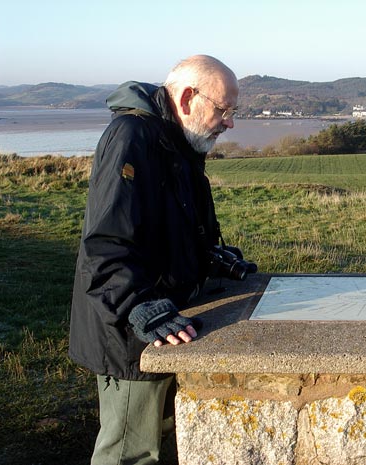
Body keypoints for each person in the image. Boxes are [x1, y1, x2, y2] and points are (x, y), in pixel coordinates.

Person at [69, 55, 242, 465]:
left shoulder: (176, 141)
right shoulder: (132, 136)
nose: (229, 123)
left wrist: (210, 258)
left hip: (166, 321)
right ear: (186, 98)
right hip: (131, 335)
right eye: (223, 110)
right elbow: (106, 243)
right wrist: (138, 307)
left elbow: (170, 223)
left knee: (157, 437)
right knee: (129, 452)